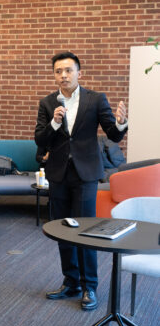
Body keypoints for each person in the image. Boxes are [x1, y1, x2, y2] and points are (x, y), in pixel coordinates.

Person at [35, 51, 127, 311]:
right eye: (58, 71)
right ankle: (71, 282)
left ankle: (90, 287)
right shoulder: (47, 103)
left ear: (78, 72)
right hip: (58, 174)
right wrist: (53, 123)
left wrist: (121, 123)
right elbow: (40, 139)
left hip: (86, 174)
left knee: (86, 230)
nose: (63, 75)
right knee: (63, 229)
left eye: (68, 70)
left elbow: (113, 134)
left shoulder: (96, 99)